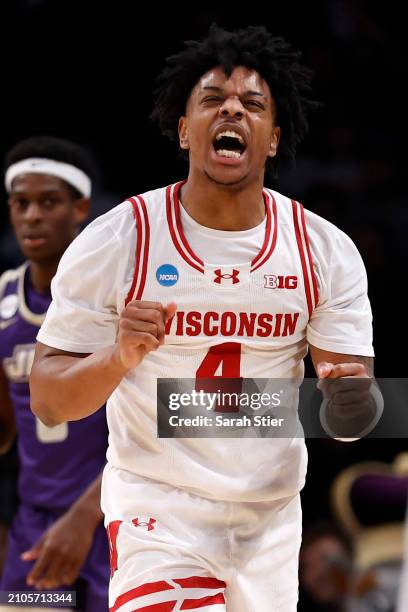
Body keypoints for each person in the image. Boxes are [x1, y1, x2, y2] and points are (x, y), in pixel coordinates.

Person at [30, 25, 375, 611]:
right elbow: (49, 400)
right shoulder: (119, 241)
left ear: (272, 139)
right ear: (185, 129)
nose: (233, 108)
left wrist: (349, 401)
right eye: (213, 99)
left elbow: (353, 419)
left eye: (253, 103)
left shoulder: (325, 249)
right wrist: (118, 357)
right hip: (158, 508)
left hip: (270, 518)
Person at [0, 136, 110, 611]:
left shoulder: (119, 299)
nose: (32, 217)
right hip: (35, 523)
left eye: (48, 202)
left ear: (80, 206)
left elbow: (163, 425)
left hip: (115, 516)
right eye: (21, 203)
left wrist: (85, 516)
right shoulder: (2, 301)